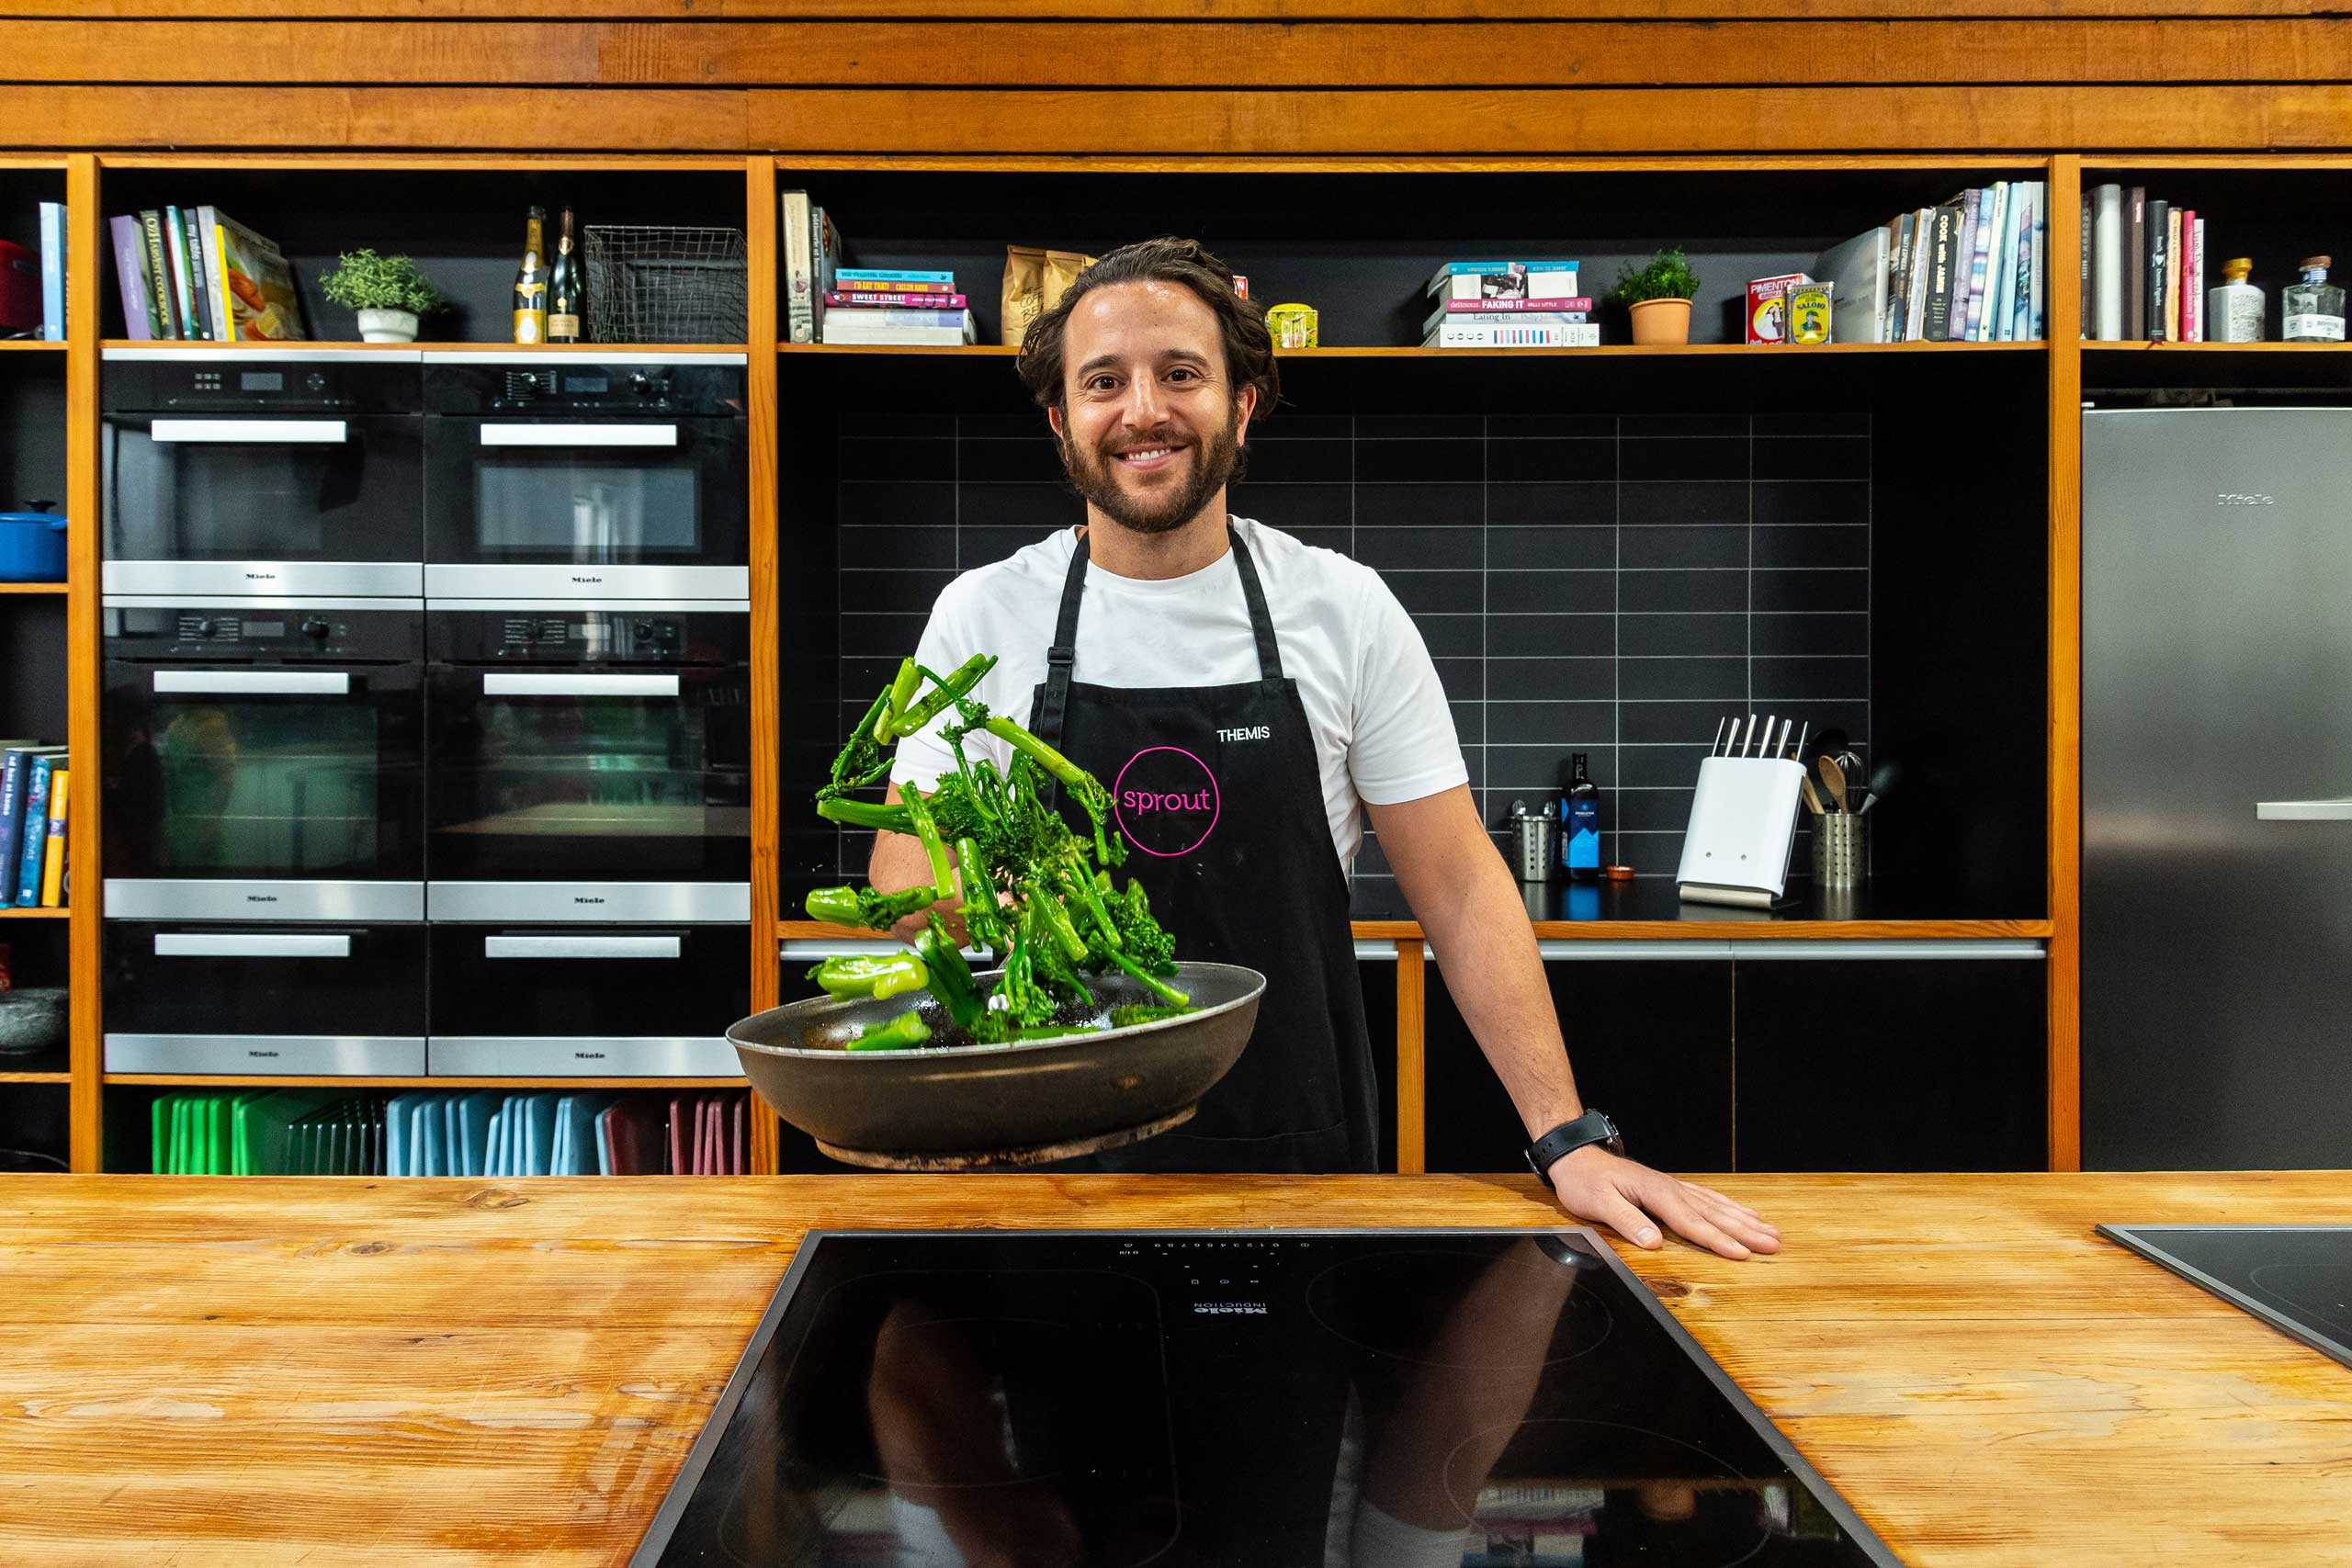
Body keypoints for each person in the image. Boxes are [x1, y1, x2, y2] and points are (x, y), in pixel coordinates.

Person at [871, 236, 1777, 1262]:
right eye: (1103, 382)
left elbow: (1459, 886)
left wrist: (1564, 1134)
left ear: (1243, 403)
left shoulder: (1342, 609)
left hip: (1290, 1154)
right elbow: (901, 869)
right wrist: (1003, 899)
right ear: (1060, 419)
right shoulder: (984, 614)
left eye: (1181, 374)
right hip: (1042, 1159)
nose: (1142, 411)